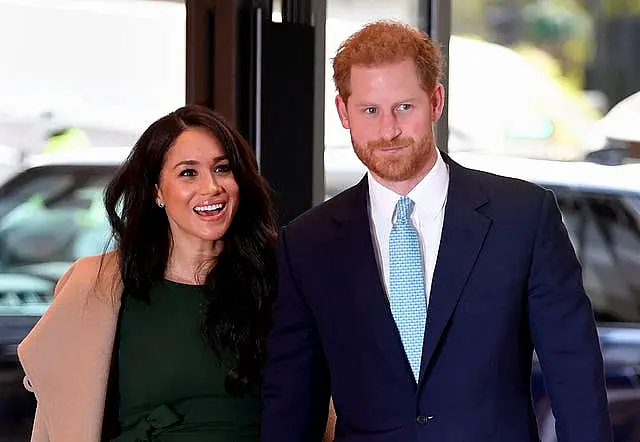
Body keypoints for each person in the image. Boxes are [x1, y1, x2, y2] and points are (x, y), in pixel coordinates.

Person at [261, 21, 612, 442]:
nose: (388, 129)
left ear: (435, 101)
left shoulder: (523, 217)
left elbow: (574, 374)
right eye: (370, 110)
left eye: (404, 107)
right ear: (343, 112)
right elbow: (293, 402)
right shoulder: (306, 244)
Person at [18, 104, 279, 442]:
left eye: (222, 168)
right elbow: (61, 407)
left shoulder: (278, 278)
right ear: (157, 190)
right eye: (188, 173)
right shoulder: (100, 285)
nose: (211, 186)